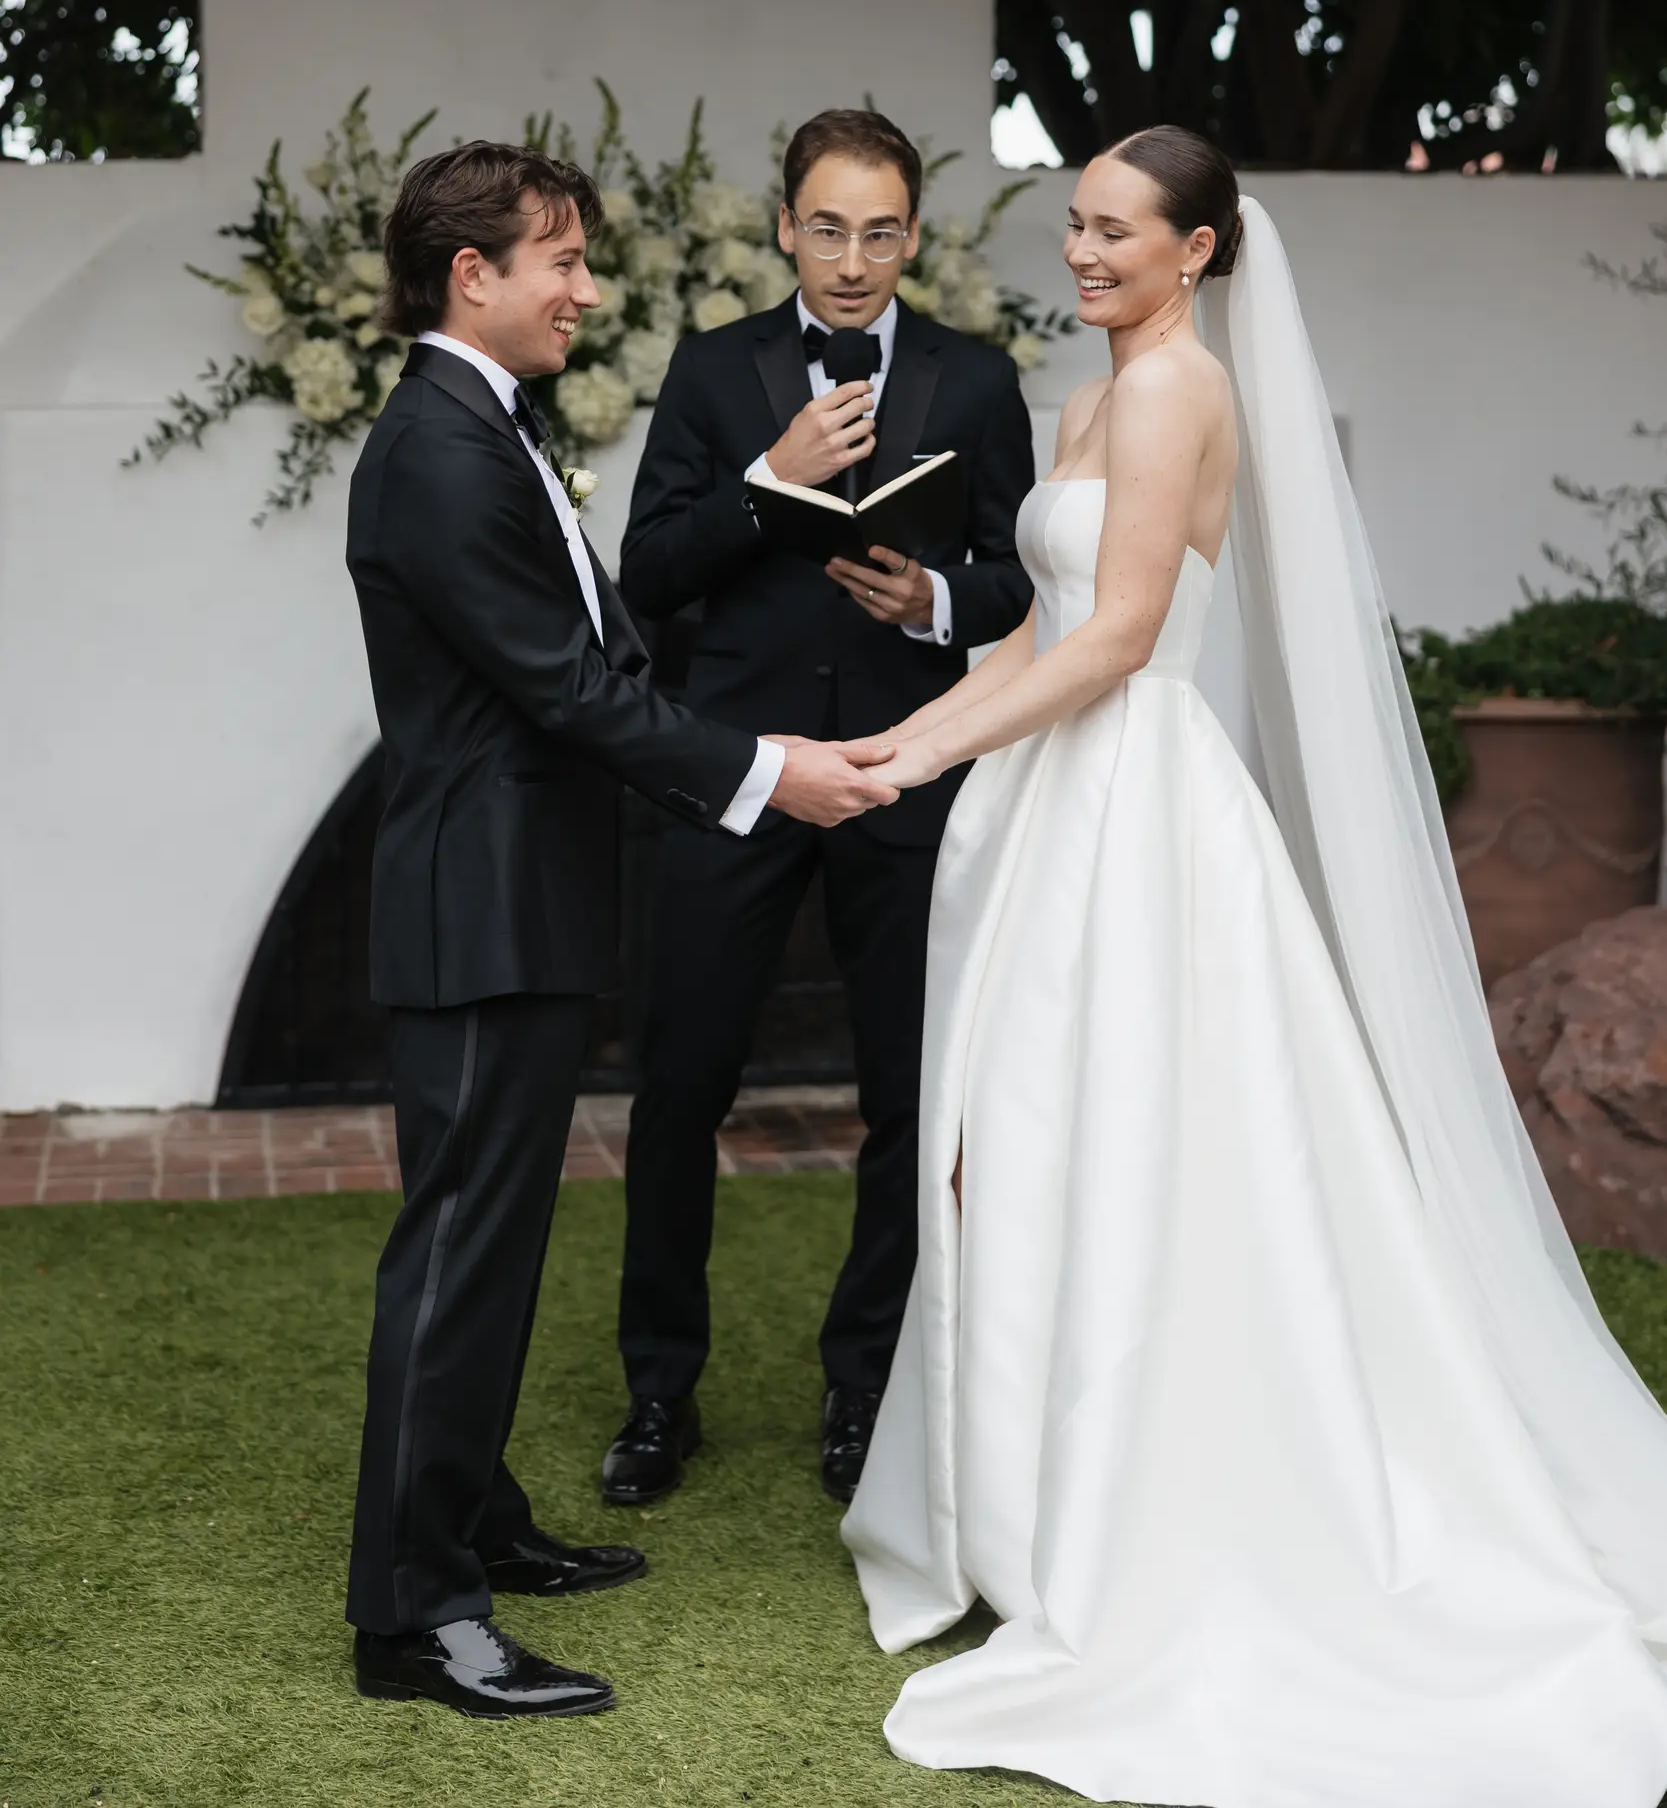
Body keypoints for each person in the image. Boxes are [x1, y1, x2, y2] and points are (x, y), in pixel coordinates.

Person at [843, 126, 1667, 1807]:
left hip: (1135, 804)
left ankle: (1155, 1507)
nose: (1079, 254)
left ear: (1197, 252)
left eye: (1114, 234)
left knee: (1148, 1146)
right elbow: (1024, 632)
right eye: (1070, 225)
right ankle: (1027, 1498)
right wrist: (900, 735)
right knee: (1025, 1146)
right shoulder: (1092, 397)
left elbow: (1122, 636)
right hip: (1043, 804)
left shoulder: (1173, 398)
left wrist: (920, 761)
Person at [342, 140, 894, 1722]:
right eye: (561, 262)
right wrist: (763, 773)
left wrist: (762, 498)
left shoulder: (482, 426)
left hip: (524, 897)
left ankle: (468, 1517)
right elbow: (566, 689)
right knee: (453, 1255)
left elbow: (607, 631)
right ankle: (414, 1618)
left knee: (494, 1246)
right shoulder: (441, 450)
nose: (586, 289)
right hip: (477, 905)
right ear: (474, 276)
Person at [601, 108, 1035, 1509]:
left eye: (881, 230)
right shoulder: (714, 370)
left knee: (909, 1095)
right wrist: (770, 481)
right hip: (737, 767)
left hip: (909, 768)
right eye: (827, 227)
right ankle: (660, 1393)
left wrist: (941, 600)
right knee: (681, 1087)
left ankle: (869, 1390)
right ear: (784, 226)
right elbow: (649, 572)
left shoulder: (974, 379)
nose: (852, 260)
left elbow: (1022, 577)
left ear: (914, 236)